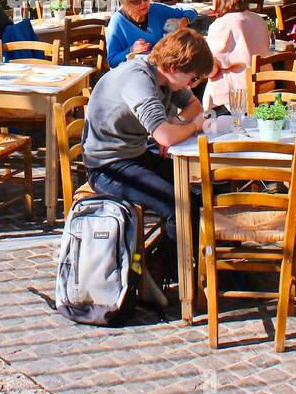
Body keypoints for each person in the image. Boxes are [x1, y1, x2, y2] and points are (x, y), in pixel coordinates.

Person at [83, 26, 213, 243]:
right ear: (173, 66)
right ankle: (174, 269)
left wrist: (175, 122)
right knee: (178, 205)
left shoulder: (165, 76)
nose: (192, 84)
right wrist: (192, 127)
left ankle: (196, 262)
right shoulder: (138, 80)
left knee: (197, 189)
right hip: (107, 167)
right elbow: (165, 136)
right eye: (192, 79)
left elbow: (194, 106)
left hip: (134, 154)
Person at [202, 0, 270, 112]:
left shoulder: (221, 24)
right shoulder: (258, 19)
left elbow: (212, 68)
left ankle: (207, 126)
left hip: (237, 92)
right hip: (265, 83)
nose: (211, 1)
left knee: (194, 92)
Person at [105, 0, 199, 68]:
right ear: (125, 4)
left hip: (162, 68)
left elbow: (191, 10)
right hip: (133, 73)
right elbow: (112, 61)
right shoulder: (117, 22)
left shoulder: (155, 9)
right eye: (136, 1)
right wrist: (131, 50)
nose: (143, 3)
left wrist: (185, 20)